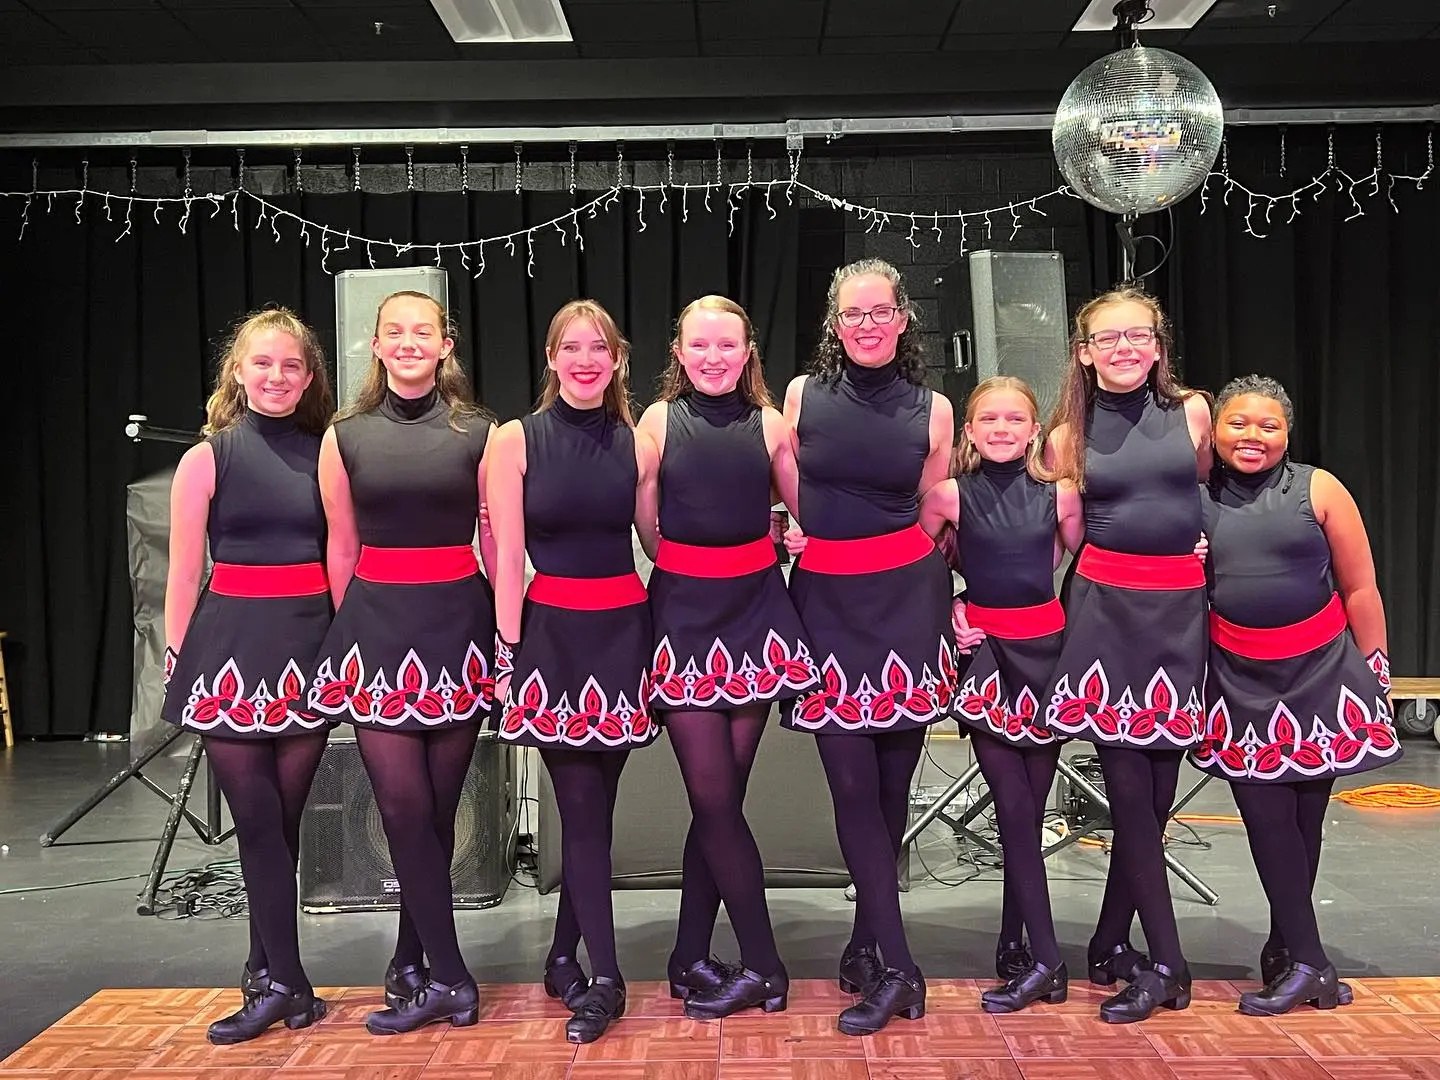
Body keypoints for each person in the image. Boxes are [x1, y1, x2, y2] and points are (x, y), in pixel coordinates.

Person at [309, 291, 497, 1035]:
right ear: (378, 345)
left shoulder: (479, 431)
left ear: (446, 345)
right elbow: (340, 545)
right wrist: (347, 629)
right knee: (402, 808)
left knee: (439, 814)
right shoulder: (344, 434)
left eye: (424, 331)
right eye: (397, 332)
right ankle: (452, 976)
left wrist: (507, 632)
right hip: (377, 633)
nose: (410, 342)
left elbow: (494, 538)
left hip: (458, 628)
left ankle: (409, 960)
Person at [782, 258, 957, 1036]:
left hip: (904, 606)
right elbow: (787, 485)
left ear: (903, 316)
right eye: (853, 314)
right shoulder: (801, 395)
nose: (868, 325)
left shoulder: (935, 409)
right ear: (834, 322)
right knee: (852, 790)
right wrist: (803, 536)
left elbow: (933, 508)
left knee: (890, 792)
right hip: (826, 605)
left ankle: (867, 946)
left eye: (880, 311)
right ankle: (900, 968)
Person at [1191, 375, 1400, 1015]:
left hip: (1322, 672)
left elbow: (1360, 588)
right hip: (1238, 677)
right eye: (1238, 423)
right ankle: (1312, 962)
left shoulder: (1320, 488)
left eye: (1269, 425)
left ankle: (1290, 950)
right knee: (1266, 822)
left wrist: (1376, 670)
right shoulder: (1194, 498)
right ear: (1215, 431)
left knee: (1306, 826)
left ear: (1288, 433)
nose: (1253, 435)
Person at [635, 295, 817, 1020]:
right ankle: (765, 965)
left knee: (721, 804)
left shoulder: (771, 424)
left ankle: (689, 954)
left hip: (755, 616)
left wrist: (789, 538)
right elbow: (647, 527)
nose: (714, 358)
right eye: (700, 345)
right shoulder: (656, 421)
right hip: (684, 616)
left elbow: (807, 510)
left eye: (727, 345)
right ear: (678, 353)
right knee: (712, 800)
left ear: (748, 353)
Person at [487, 299, 658, 1045]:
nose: (585, 360)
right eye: (571, 347)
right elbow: (505, 556)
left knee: (596, 810)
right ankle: (607, 980)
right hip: (553, 637)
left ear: (617, 360)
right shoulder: (514, 440)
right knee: (582, 812)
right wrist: (507, 649)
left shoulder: (637, 442)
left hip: (624, 634)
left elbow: (657, 539)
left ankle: (563, 956)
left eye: (599, 348)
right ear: (551, 358)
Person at [162, 307, 334, 1044]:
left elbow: (344, 556)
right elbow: (182, 575)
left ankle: (265, 974)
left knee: (281, 827)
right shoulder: (206, 459)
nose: (277, 376)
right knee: (258, 822)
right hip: (227, 656)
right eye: (262, 362)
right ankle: (289, 983)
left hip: (307, 651)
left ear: (310, 376)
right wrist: (178, 659)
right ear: (237, 370)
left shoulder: (327, 453)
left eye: (291, 365)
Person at [1043, 285, 1211, 1024]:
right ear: (1083, 352)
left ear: (1158, 343)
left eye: (1137, 335)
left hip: (1180, 614)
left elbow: (1206, 497)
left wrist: (1197, 549)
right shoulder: (1065, 435)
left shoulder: (1195, 413)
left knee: (1157, 797)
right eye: (1107, 338)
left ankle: (1111, 940)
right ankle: (1167, 964)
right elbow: (1067, 536)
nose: (1123, 348)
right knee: (1131, 799)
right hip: (1108, 614)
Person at [919, 376, 1082, 1013]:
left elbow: (1095, 571)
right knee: (1014, 812)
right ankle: (1047, 961)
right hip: (987, 660)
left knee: (1028, 814)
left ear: (1035, 430)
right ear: (969, 430)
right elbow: (918, 573)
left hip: (1046, 659)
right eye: (989, 419)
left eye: (1015, 418)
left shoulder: (1061, 495)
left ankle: (1016, 943)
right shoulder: (947, 496)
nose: (1002, 429)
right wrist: (954, 608)